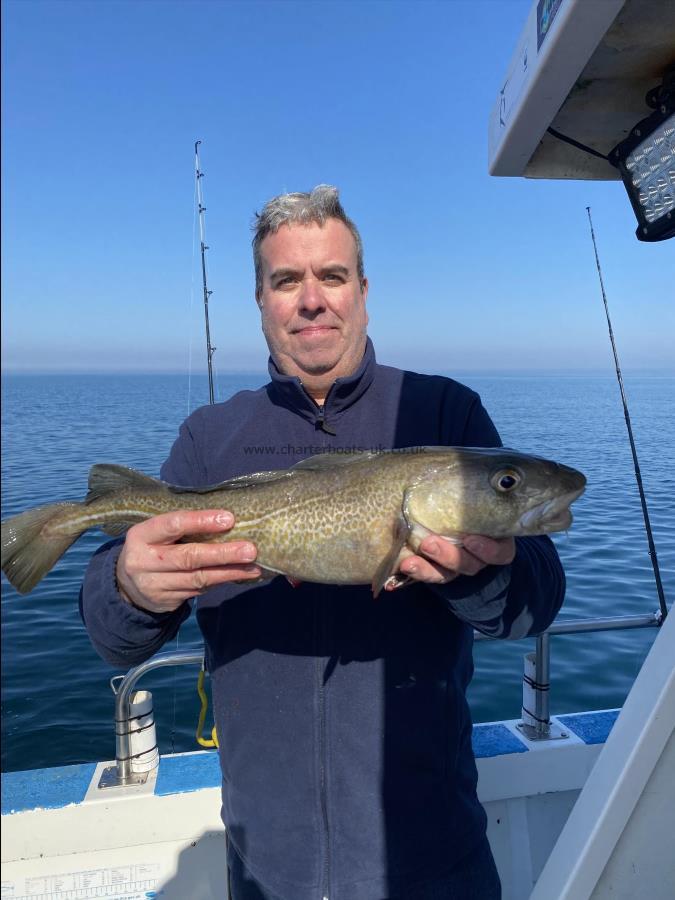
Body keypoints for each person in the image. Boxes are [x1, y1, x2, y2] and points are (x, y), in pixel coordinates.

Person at [80, 185, 565, 900]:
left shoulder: (443, 412)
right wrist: (129, 585)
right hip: (266, 865)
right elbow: (114, 642)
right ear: (260, 300)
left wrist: (479, 575)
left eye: (331, 276)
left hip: (434, 855)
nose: (312, 300)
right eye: (286, 281)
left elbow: (533, 605)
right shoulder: (208, 439)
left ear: (362, 290)